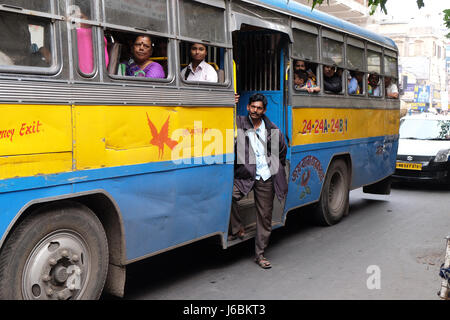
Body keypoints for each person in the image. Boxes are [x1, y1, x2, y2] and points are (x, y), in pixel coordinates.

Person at [229, 93, 288, 269]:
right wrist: (229, 103)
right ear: (247, 107)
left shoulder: (272, 129)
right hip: (245, 176)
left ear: (264, 110)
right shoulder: (238, 122)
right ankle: (238, 227)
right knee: (229, 196)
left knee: (264, 217)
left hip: (265, 177)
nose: (255, 110)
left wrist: (273, 166)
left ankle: (260, 254)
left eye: (259, 108)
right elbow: (223, 120)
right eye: (252, 107)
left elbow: (282, 151)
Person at [71, 5, 109, 74]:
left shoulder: (79, 33)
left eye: (80, 17)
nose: (77, 21)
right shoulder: (100, 35)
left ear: (90, 20)